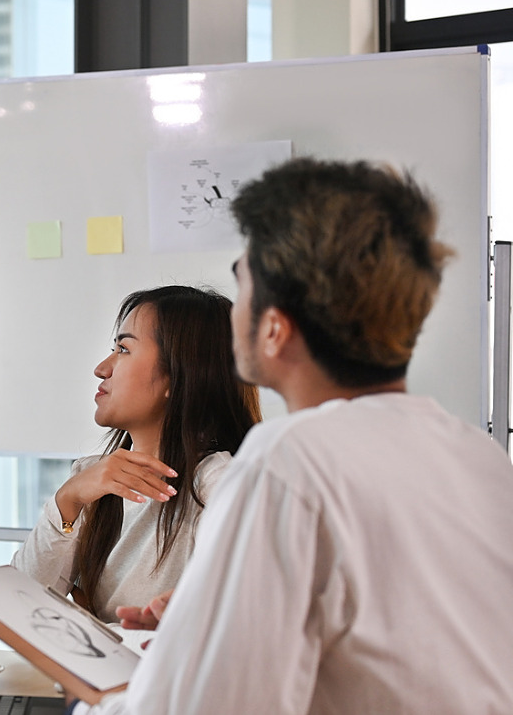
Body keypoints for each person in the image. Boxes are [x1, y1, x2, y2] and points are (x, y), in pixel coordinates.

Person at [77, 158, 513, 714]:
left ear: (275, 329)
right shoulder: (477, 456)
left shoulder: (287, 464)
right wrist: (202, 632)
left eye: (243, 283)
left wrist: (97, 700)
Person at [12, 286, 259, 622]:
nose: (102, 368)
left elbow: (238, 620)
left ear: (179, 375)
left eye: (124, 349)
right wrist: (68, 500)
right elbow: (19, 607)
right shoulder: (92, 479)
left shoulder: (220, 483)